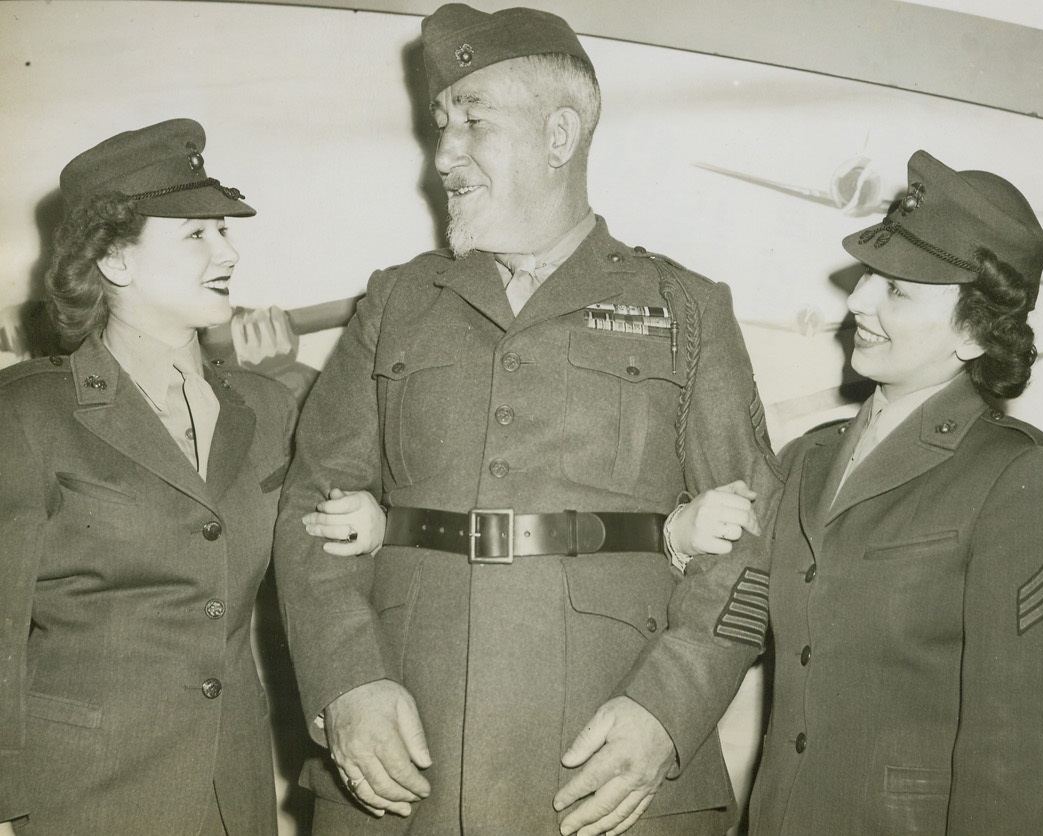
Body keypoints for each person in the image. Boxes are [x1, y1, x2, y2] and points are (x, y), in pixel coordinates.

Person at [273, 4, 780, 835]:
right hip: (404, 779)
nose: (444, 155)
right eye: (440, 126)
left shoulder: (683, 308)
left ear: (559, 135)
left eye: (474, 121)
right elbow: (311, 508)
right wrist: (346, 682)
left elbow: (753, 536)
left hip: (601, 785)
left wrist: (665, 712)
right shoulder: (397, 302)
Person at [673, 149, 1043, 833]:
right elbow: (731, 621)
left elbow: (1014, 748)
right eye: (869, 277)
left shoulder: (1018, 478)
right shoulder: (807, 460)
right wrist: (678, 536)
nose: (856, 301)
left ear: (974, 333)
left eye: (899, 290)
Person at [0, 119, 295, 835]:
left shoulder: (268, 405)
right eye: (196, 235)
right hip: (83, 796)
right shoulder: (28, 413)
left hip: (236, 794)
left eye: (224, 231)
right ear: (115, 262)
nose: (228, 251)